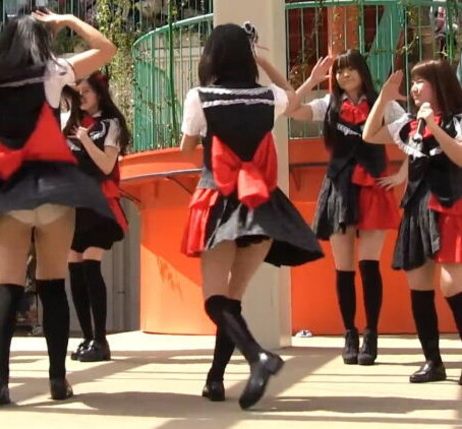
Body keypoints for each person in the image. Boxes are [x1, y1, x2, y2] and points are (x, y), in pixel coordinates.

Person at [0, 8, 118, 405]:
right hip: (54, 187)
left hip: (9, 192)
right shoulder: (54, 71)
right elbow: (107, 49)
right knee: (52, 285)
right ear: (42, 40)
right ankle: (57, 379)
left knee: (7, 286)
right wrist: (68, 20)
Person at [180, 22, 323, 410]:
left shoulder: (200, 96)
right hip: (261, 206)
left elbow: (186, 147)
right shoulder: (267, 97)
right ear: (247, 57)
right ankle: (215, 378)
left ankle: (257, 357)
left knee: (215, 300)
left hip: (219, 198)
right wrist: (265, 62)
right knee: (233, 298)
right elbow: (292, 98)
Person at [287, 50, 407, 365]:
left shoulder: (384, 104)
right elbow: (291, 109)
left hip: (373, 186)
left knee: (369, 265)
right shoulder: (328, 104)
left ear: (362, 71)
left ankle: (371, 334)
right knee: (343, 268)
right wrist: (312, 80)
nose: (344, 75)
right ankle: (350, 333)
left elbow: (416, 136)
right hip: (339, 187)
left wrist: (402, 175)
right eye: (339, 71)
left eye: (350, 68)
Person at [362, 60, 462, 385]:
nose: (415, 88)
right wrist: (384, 98)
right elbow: (369, 134)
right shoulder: (411, 125)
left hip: (450, 207)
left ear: (440, 84)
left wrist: (434, 125)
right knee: (418, 284)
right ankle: (433, 361)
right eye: (414, 81)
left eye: (422, 81)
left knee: (452, 284)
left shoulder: (457, 121)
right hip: (417, 209)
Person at [62, 74, 129, 362]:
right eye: (78, 92)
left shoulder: (110, 124)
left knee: (90, 265)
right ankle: (88, 338)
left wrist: (85, 140)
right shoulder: (70, 125)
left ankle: (100, 340)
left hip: (99, 203)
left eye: (86, 91)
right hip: (74, 204)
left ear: (99, 93)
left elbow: (106, 165)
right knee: (75, 270)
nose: (82, 97)